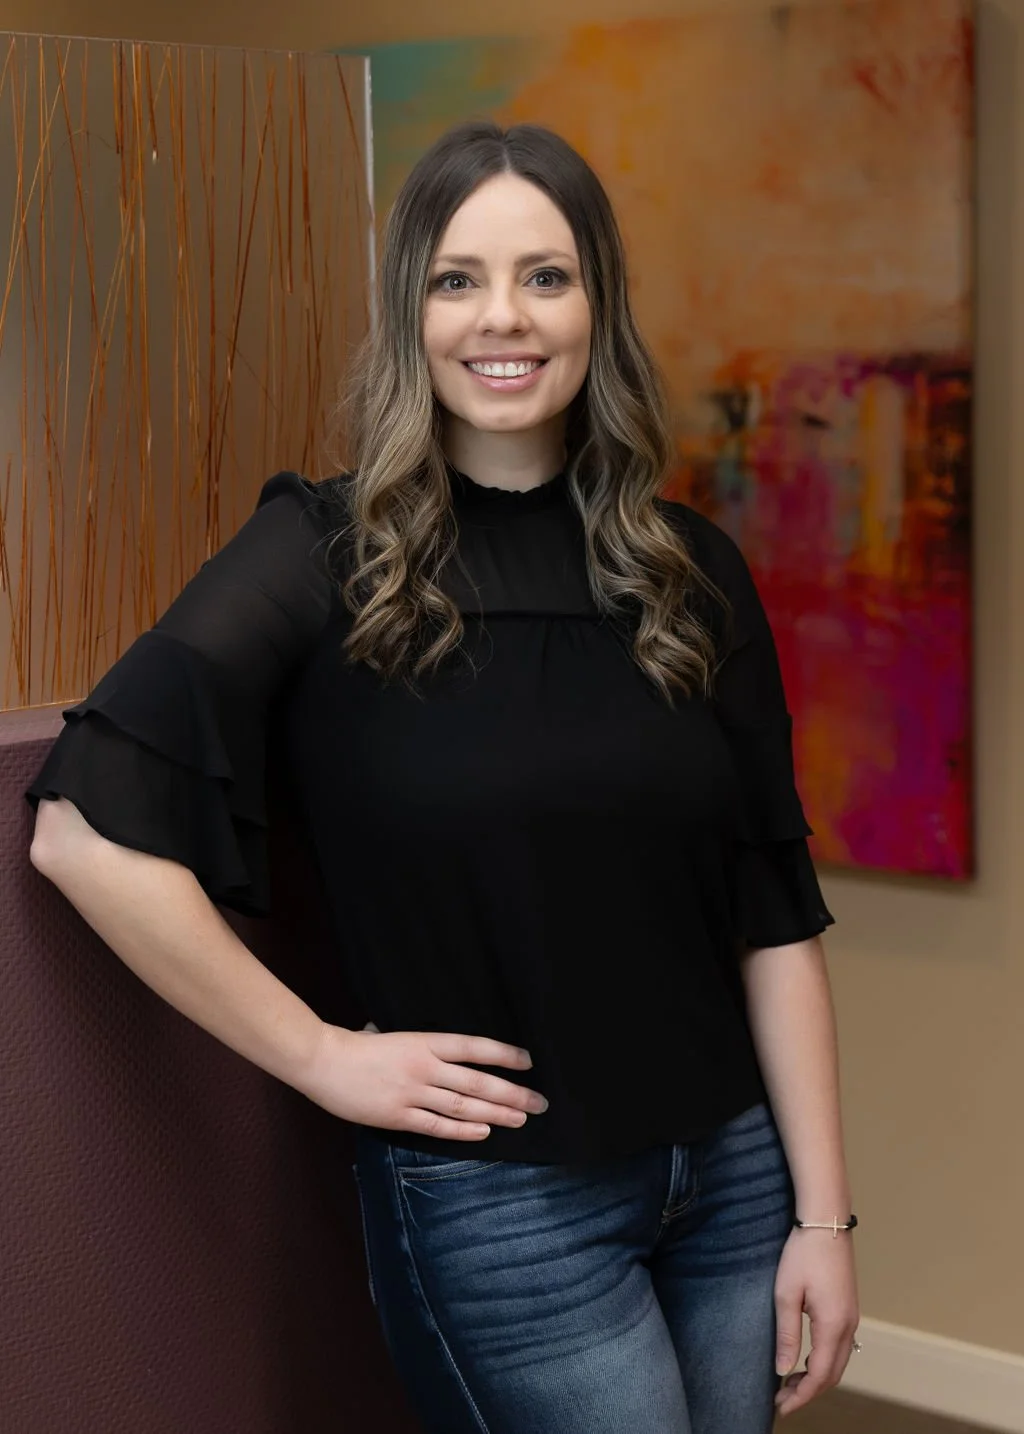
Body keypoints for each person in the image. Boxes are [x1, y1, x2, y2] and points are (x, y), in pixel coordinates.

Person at [26, 121, 859, 1433]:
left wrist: (823, 1212)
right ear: (411, 310)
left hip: (735, 1179)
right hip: (505, 1205)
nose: (501, 318)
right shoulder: (319, 552)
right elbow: (82, 828)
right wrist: (317, 1054)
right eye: (455, 278)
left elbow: (774, 914)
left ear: (598, 308)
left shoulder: (693, 568)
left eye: (546, 274)